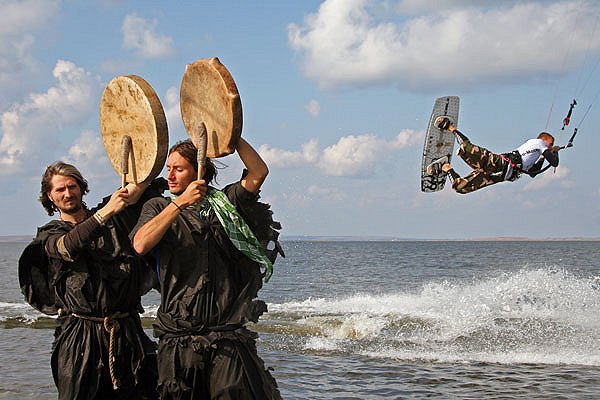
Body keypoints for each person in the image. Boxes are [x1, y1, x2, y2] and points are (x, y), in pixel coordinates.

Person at [131, 138, 283, 400]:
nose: (170, 175)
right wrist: (180, 203)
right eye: (169, 168)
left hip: (225, 333)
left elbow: (259, 172)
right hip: (179, 333)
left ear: (198, 171)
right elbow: (141, 244)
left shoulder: (226, 204)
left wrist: (230, 135)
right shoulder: (158, 206)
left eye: (179, 169)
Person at [19, 161, 164, 400]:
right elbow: (67, 247)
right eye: (60, 189)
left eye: (72, 186)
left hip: (126, 330)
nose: (68, 193)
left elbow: (140, 184)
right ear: (50, 197)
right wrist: (106, 212)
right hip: (80, 338)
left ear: (81, 188)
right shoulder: (49, 235)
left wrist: (147, 159)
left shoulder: (113, 217)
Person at [427, 116, 561, 194]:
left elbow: (533, 173)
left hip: (499, 176)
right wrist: (554, 152)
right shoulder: (538, 142)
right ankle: (450, 127)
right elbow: (554, 162)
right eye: (550, 144)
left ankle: (446, 167)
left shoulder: (536, 154)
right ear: (543, 140)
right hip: (499, 163)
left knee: (461, 188)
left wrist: (543, 157)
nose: (550, 147)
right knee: (468, 149)